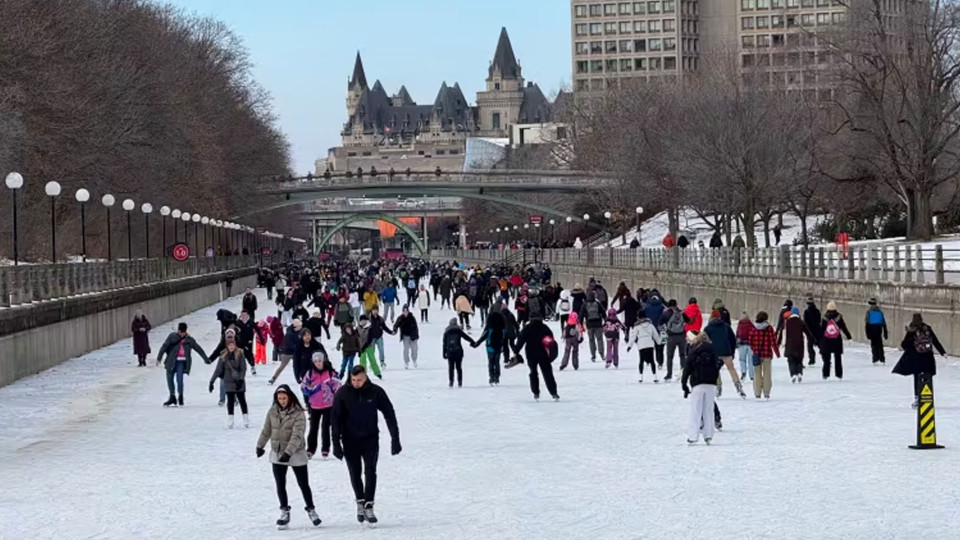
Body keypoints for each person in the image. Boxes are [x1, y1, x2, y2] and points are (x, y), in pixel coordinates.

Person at [331, 365, 402, 526]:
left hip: (370, 438)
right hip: (350, 439)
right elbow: (335, 419)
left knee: (370, 470)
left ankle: (369, 504)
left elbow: (389, 413)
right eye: (353, 380)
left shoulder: (376, 391)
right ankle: (360, 501)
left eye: (359, 380)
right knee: (354, 472)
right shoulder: (343, 393)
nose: (356, 383)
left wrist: (395, 438)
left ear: (366, 378)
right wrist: (335, 443)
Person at [256, 385, 321, 530]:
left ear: (290, 397)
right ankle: (284, 511)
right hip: (278, 452)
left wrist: (288, 453)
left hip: (295, 452)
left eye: (284, 398)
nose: (282, 401)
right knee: (280, 484)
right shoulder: (272, 411)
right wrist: (260, 445)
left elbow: (297, 435)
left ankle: (311, 509)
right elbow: (267, 430)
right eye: (279, 398)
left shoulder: (298, 413)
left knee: (303, 484)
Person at [893, 313, 948, 408]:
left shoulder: (912, 329)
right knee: (927, 377)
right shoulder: (927, 328)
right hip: (927, 357)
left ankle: (917, 398)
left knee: (917, 377)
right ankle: (927, 397)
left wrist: (910, 349)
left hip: (916, 357)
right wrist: (942, 352)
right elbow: (935, 340)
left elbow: (904, 344)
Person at [682, 331, 721, 445]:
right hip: (711, 384)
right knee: (708, 410)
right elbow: (718, 364)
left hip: (698, 383)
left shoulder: (694, 351)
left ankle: (693, 436)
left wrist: (684, 384)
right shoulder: (714, 350)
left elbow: (687, 368)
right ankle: (708, 436)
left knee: (696, 410)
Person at [301, 352, 342, 459]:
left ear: (323, 361)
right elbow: (303, 386)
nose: (318, 363)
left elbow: (337, 386)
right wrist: (307, 389)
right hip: (315, 405)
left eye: (319, 361)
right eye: (315, 361)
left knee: (325, 427)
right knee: (313, 428)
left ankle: (325, 449)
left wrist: (338, 398)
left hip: (329, 404)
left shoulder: (330, 373)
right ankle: (310, 449)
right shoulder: (310, 373)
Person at [156, 322, 207, 407]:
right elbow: (164, 347)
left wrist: (206, 359)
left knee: (179, 379)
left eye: (183, 332)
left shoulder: (189, 339)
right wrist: (159, 358)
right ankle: (172, 396)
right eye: (180, 332)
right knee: (169, 378)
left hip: (181, 362)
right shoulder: (172, 336)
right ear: (178, 330)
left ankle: (180, 396)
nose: (182, 334)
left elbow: (198, 349)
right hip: (171, 360)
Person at [510, 317, 559, 401]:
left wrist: (516, 350)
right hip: (543, 353)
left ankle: (536, 392)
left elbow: (521, 340)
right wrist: (552, 354)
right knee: (547, 373)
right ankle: (554, 393)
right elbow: (551, 340)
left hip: (530, 353)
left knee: (533, 373)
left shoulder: (527, 328)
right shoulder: (544, 328)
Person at [209, 328, 249, 428]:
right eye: (229, 345)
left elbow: (243, 368)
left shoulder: (240, 353)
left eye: (233, 345)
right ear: (227, 345)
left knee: (242, 400)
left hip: (238, 381)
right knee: (230, 401)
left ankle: (245, 418)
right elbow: (218, 370)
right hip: (228, 381)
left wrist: (240, 379)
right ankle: (230, 420)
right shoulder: (223, 355)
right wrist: (211, 382)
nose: (231, 346)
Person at [703, 310, 745, 398]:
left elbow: (705, 341)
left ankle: (718, 386)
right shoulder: (726, 326)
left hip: (714, 352)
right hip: (726, 351)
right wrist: (732, 352)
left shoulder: (708, 328)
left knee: (715, 370)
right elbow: (733, 340)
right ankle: (738, 386)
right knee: (731, 369)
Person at [748, 311, 779, 399]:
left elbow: (750, 340)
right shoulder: (769, 328)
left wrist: (754, 349)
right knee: (767, 374)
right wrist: (777, 352)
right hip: (767, 354)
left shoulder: (753, 328)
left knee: (757, 374)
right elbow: (773, 341)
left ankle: (757, 393)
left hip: (757, 354)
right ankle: (766, 392)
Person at [781, 307, 816, 383]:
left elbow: (785, 333)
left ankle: (793, 374)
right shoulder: (801, 322)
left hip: (790, 344)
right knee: (799, 360)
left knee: (791, 360)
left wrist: (783, 342)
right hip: (799, 344)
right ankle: (799, 373)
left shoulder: (788, 322)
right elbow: (808, 333)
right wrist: (813, 340)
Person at [820, 301, 852, 380]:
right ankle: (839, 374)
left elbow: (821, 330)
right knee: (838, 358)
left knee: (827, 359)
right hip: (836, 339)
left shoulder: (824, 318)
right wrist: (849, 336)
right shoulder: (839, 317)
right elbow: (844, 327)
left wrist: (819, 340)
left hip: (827, 340)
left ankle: (825, 374)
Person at [443, 318, 477, 387]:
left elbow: (444, 343)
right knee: (459, 367)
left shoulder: (446, 332)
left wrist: (444, 353)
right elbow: (466, 337)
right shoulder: (458, 330)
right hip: (458, 351)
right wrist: (473, 342)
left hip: (450, 352)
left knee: (451, 367)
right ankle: (460, 381)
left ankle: (451, 381)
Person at [627, 315, 661, 383]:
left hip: (641, 345)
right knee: (652, 361)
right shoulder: (651, 325)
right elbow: (655, 335)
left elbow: (633, 337)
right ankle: (655, 376)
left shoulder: (637, 327)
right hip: (650, 344)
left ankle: (641, 377)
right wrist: (659, 343)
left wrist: (629, 346)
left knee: (641, 361)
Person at [269, 318, 302, 385]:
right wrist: (297, 348)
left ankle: (300, 378)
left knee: (299, 365)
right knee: (282, 366)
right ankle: (273, 378)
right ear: (296, 326)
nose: (301, 327)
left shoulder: (299, 332)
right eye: (299, 326)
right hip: (286, 353)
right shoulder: (289, 334)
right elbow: (289, 344)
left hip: (294, 352)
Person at [660, 299, 687, 381]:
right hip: (682, 336)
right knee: (682, 355)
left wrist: (664, 331)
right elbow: (688, 321)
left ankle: (669, 374)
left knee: (670, 356)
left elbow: (660, 323)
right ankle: (683, 372)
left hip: (671, 337)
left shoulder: (666, 313)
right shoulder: (682, 313)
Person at [579, 291, 606, 363]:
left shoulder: (585, 304)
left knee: (591, 340)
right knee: (599, 339)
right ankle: (602, 353)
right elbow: (603, 312)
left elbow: (581, 315)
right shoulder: (597, 303)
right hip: (598, 324)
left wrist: (580, 325)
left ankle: (593, 355)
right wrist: (605, 320)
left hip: (589, 324)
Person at [865, 298, 889, 365]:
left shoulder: (869, 312)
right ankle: (882, 358)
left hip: (872, 329)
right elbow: (883, 323)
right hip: (879, 329)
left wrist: (867, 332)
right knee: (880, 344)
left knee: (874, 345)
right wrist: (885, 332)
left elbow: (867, 323)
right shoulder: (880, 312)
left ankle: (875, 358)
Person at [735, 311, 755, 381]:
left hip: (742, 344)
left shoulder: (740, 324)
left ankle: (743, 372)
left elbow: (737, 334)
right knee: (750, 360)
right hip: (750, 344)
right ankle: (752, 375)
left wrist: (736, 343)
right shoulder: (751, 325)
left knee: (742, 360)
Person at [803, 297, 822, 365]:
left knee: (810, 347)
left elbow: (805, 323)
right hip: (818, 331)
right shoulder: (817, 311)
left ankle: (812, 359)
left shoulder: (806, 312)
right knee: (821, 346)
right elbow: (819, 321)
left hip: (810, 331)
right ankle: (825, 359)